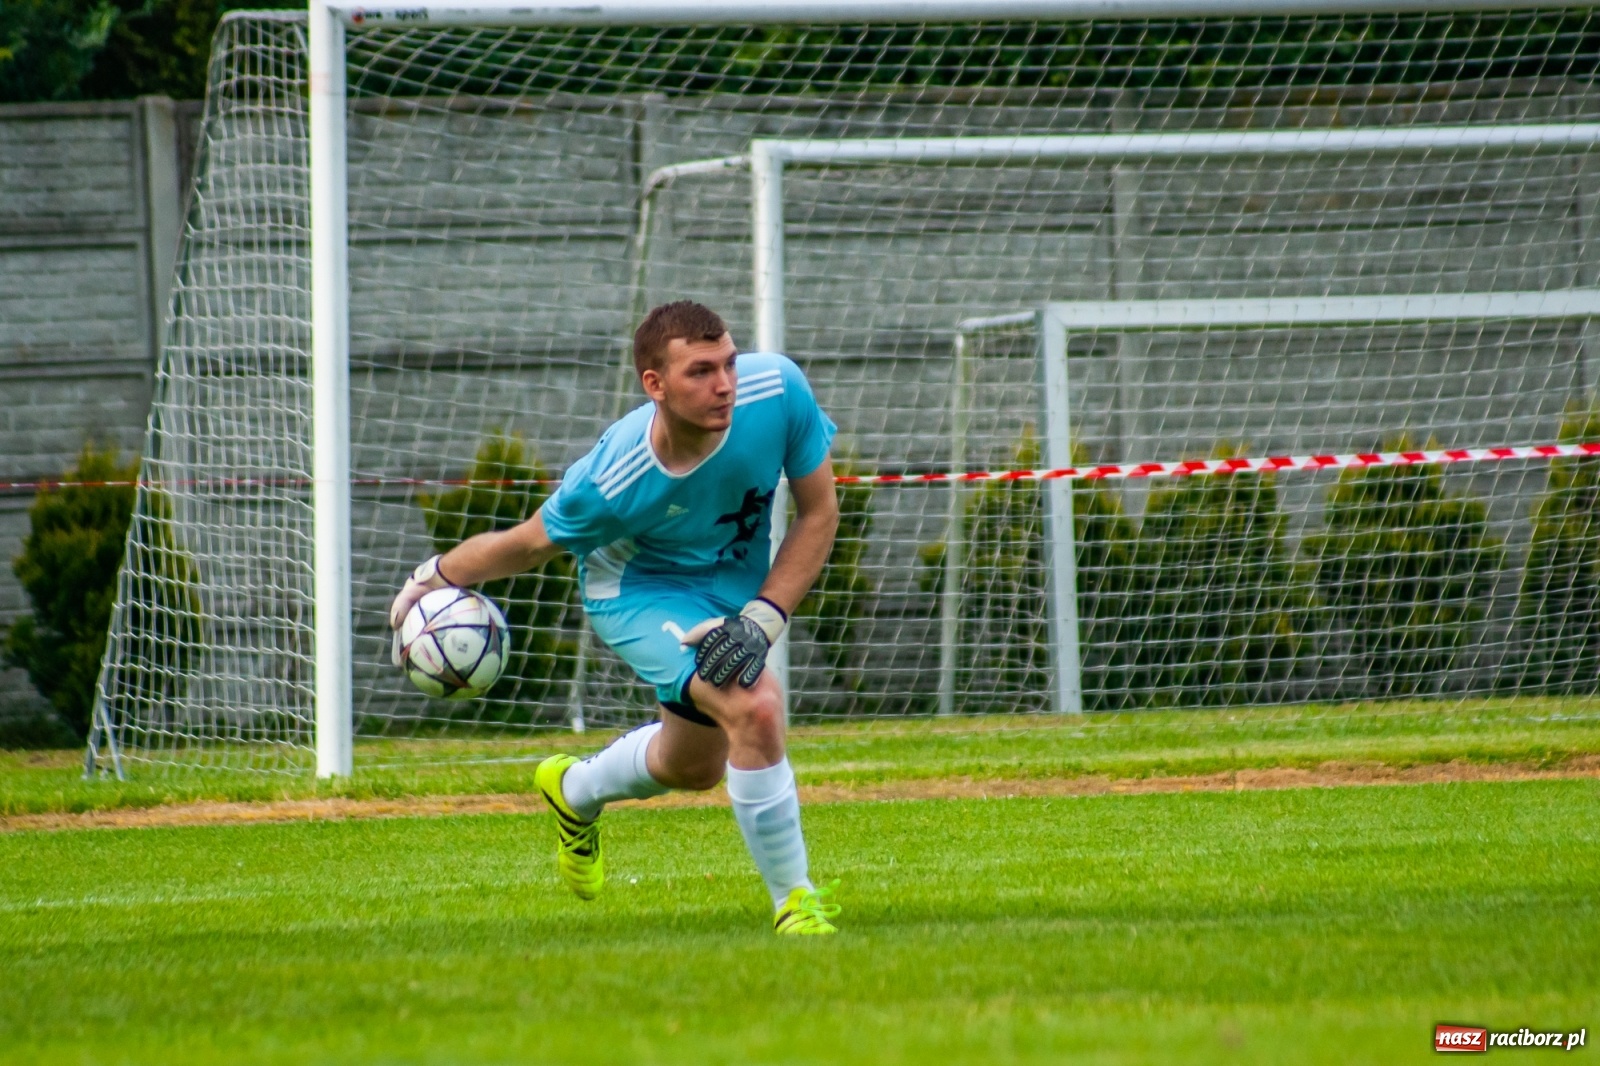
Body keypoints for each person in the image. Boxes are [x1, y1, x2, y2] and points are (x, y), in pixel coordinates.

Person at [388, 300, 843, 935]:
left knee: (696, 767)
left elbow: (820, 513)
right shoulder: (611, 479)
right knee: (756, 704)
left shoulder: (777, 390)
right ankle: (797, 904)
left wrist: (763, 617)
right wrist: (431, 577)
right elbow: (527, 543)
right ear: (654, 385)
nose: (725, 385)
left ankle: (573, 791)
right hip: (639, 589)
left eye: (730, 364)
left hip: (735, 585)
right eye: (702, 372)